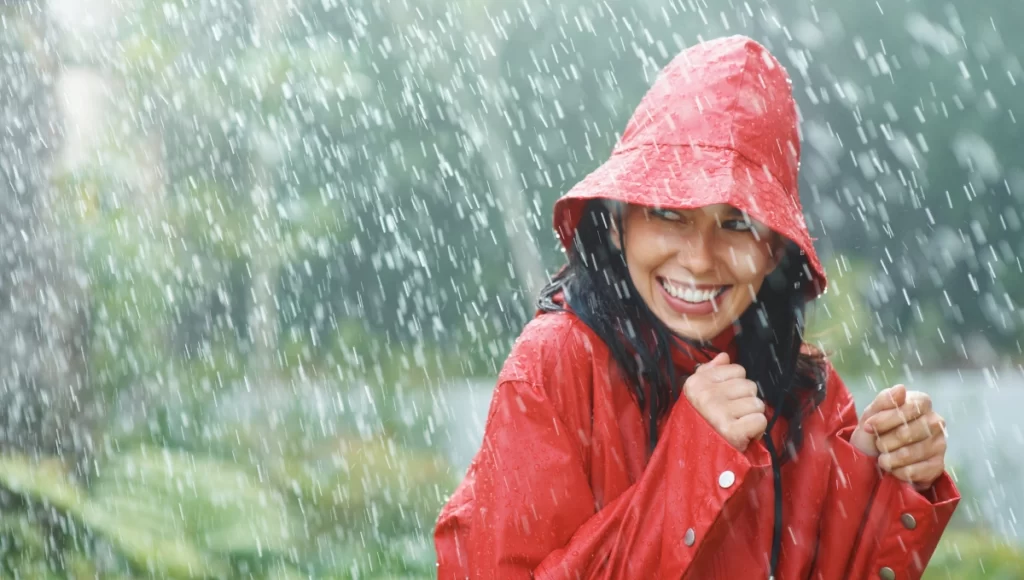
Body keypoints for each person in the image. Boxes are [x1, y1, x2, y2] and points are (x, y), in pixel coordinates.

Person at [434, 35, 960, 579]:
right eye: (668, 213)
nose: (699, 258)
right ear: (619, 222)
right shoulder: (555, 367)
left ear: (774, 250)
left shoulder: (809, 393)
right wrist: (693, 461)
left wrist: (886, 477)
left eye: (736, 224)